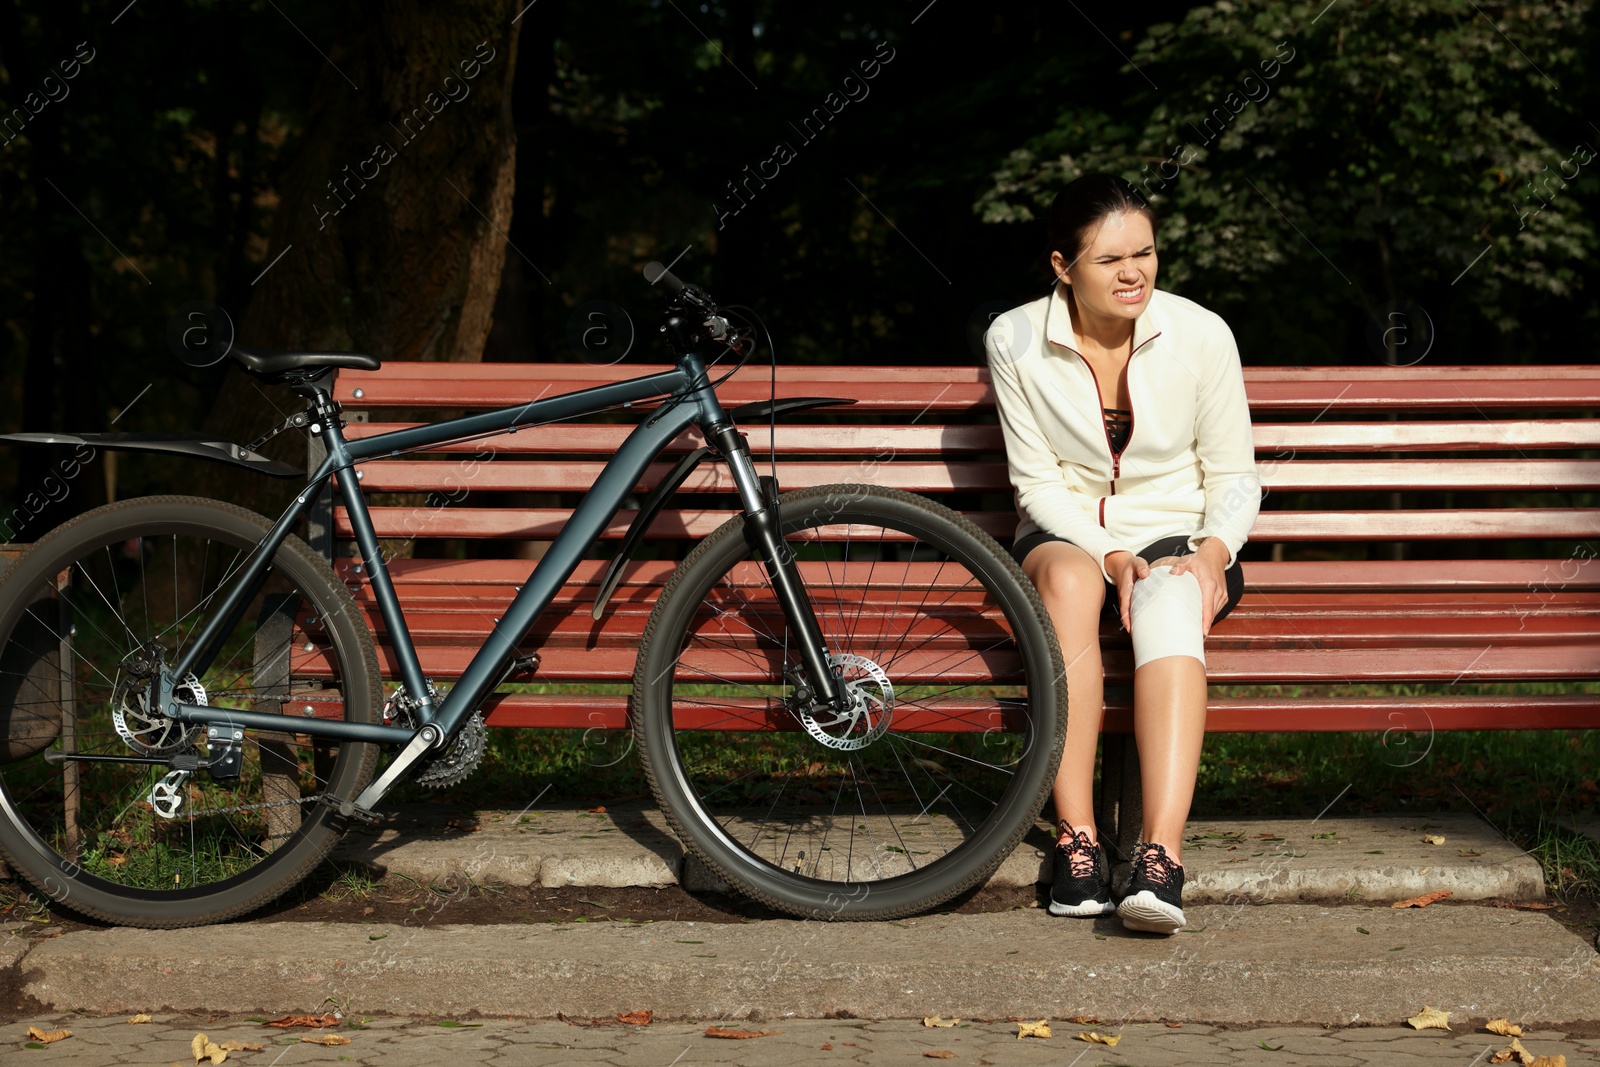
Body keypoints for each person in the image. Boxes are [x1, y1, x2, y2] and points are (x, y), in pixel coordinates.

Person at [983, 173, 1260, 935]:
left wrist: (1210, 554)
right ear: (1062, 267)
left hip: (1181, 534)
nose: (1134, 271)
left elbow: (1236, 477)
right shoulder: (1014, 337)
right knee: (1070, 584)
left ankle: (1158, 858)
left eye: (1145, 252)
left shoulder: (1203, 334)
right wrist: (1106, 554)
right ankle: (1077, 843)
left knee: (1170, 598)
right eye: (1110, 260)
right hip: (1068, 533)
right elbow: (1035, 483)